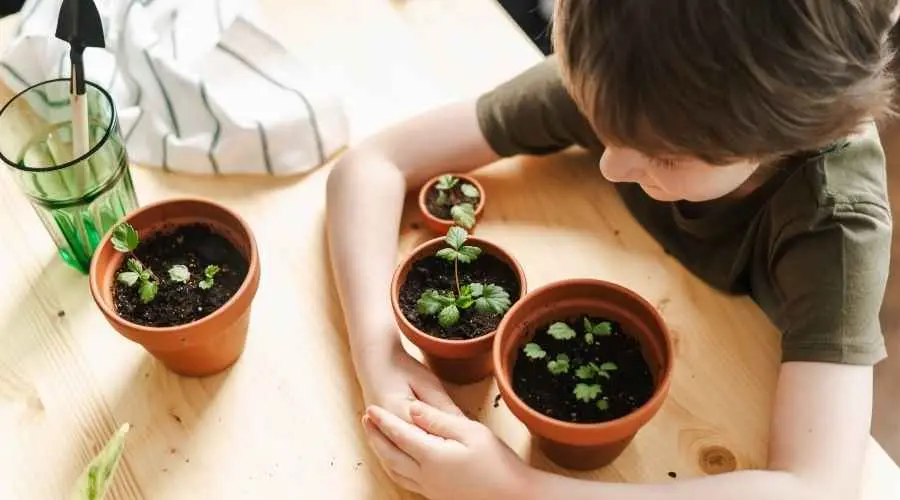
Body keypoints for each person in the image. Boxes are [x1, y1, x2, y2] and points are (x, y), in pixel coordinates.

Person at [325, 1, 899, 499]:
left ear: (788, 136)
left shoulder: (837, 225)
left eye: (665, 158)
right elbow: (370, 166)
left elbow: (818, 487)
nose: (610, 164)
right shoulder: (632, 73)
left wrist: (515, 488)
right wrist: (379, 354)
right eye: (595, 117)